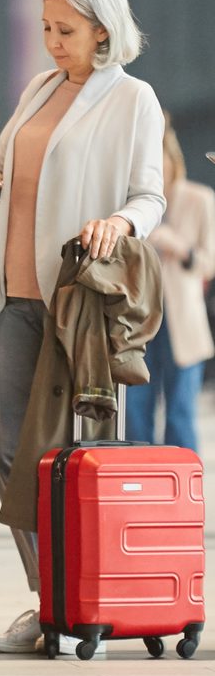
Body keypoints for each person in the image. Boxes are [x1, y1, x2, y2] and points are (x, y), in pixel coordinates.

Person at [0, 0, 165, 655]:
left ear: (103, 30)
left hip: (78, 302)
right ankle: (53, 600)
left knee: (79, 457)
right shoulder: (39, 88)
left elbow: (150, 196)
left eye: (66, 30)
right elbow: (6, 163)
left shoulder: (133, 99)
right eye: (47, 27)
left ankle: (87, 604)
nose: (53, 42)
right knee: (8, 454)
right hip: (14, 292)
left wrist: (119, 222)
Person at [125, 115, 212, 450]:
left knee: (180, 412)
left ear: (172, 159)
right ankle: (141, 475)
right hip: (139, 320)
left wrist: (180, 248)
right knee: (135, 411)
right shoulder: (130, 204)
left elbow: (209, 263)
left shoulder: (199, 199)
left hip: (184, 322)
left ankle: (183, 477)